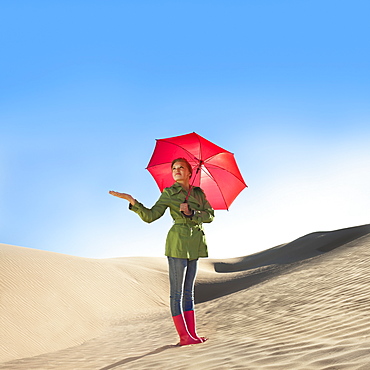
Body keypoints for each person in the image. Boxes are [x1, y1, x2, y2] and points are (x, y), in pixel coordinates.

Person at [109, 157, 214, 346]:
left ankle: (192, 334)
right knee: (176, 293)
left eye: (181, 167)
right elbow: (151, 216)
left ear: (190, 172)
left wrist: (192, 213)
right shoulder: (169, 193)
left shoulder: (198, 193)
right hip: (177, 243)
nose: (177, 170)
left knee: (189, 293)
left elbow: (210, 215)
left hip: (196, 243)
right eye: (174, 168)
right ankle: (183, 337)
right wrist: (133, 202)